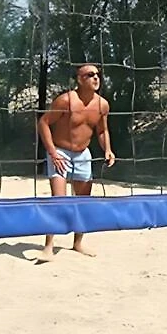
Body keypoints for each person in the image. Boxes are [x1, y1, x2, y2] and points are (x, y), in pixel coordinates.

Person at [36, 63, 115, 262]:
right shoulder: (66, 100)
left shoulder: (102, 105)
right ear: (80, 79)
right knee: (58, 201)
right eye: (90, 74)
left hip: (82, 154)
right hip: (60, 152)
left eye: (98, 74)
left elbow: (102, 130)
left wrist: (107, 149)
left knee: (83, 202)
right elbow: (43, 122)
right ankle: (48, 247)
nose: (96, 78)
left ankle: (78, 243)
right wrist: (52, 152)